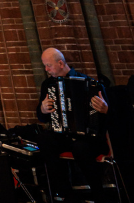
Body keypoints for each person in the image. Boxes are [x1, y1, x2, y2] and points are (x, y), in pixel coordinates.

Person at [36, 48, 108, 203]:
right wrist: (42, 109)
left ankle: (98, 194)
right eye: (45, 66)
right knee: (45, 139)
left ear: (61, 63)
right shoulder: (48, 85)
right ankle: (66, 194)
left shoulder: (90, 83)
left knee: (80, 147)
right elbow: (42, 117)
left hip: (88, 138)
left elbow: (110, 117)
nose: (46, 70)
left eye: (49, 65)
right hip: (64, 135)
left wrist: (105, 109)